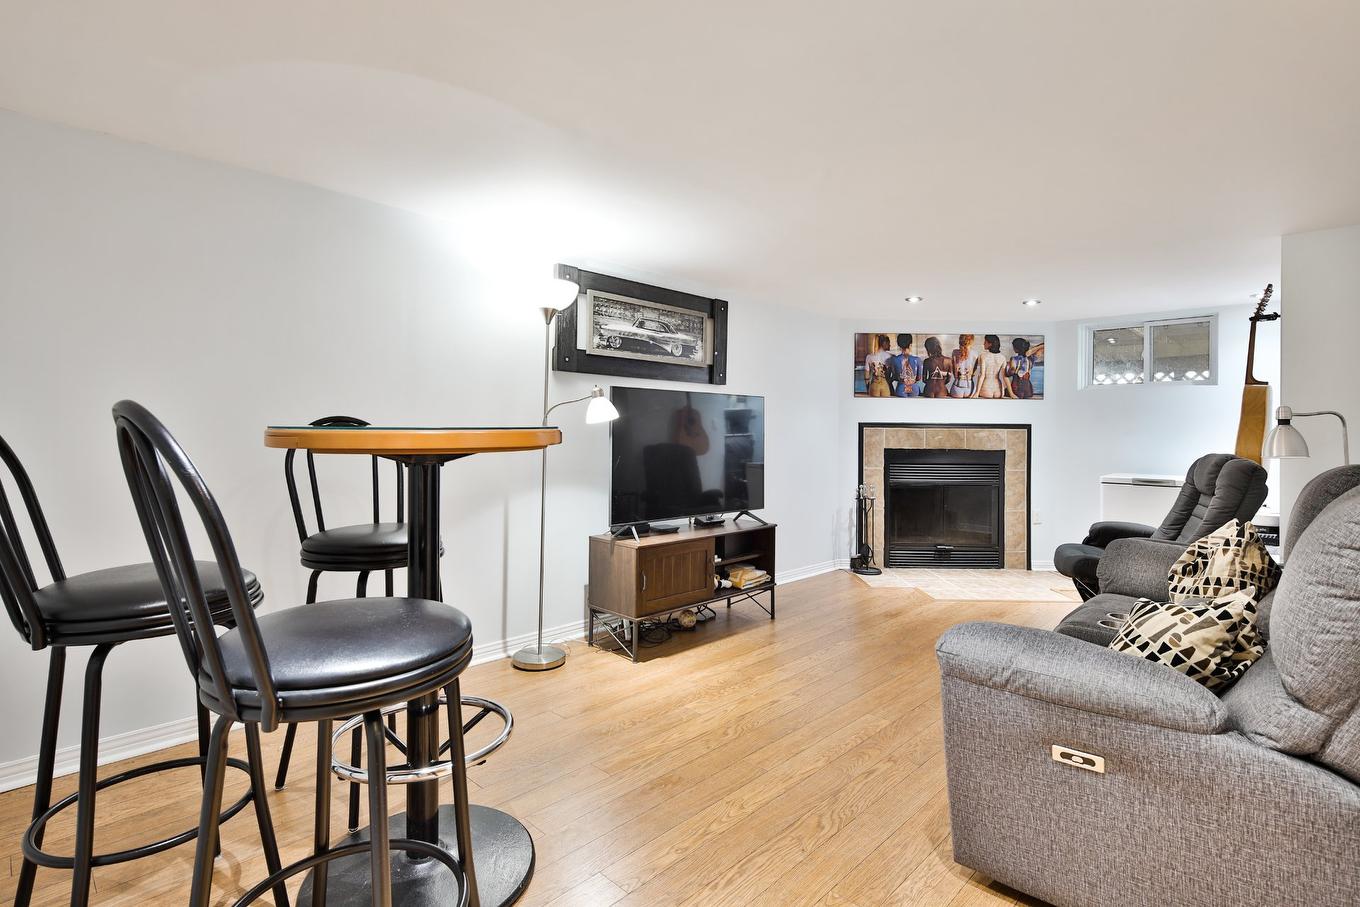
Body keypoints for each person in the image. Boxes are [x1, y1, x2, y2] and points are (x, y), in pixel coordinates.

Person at [973, 334, 1013, 398]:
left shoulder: (983, 356)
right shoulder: (1002, 357)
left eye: (985, 342)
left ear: (990, 344)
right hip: (999, 390)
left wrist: (977, 393)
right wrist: (1012, 394)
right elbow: (1005, 377)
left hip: (986, 389)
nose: (983, 344)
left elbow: (982, 375)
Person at [889, 332, 922, 397]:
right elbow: (919, 378)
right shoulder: (917, 359)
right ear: (910, 344)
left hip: (901, 388)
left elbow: (895, 377)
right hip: (914, 388)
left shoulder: (894, 359)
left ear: (899, 345)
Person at [950, 333, 979, 398]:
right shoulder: (975, 354)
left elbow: (954, 374)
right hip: (970, 388)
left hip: (957, 386)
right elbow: (974, 372)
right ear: (971, 341)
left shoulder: (954, 352)